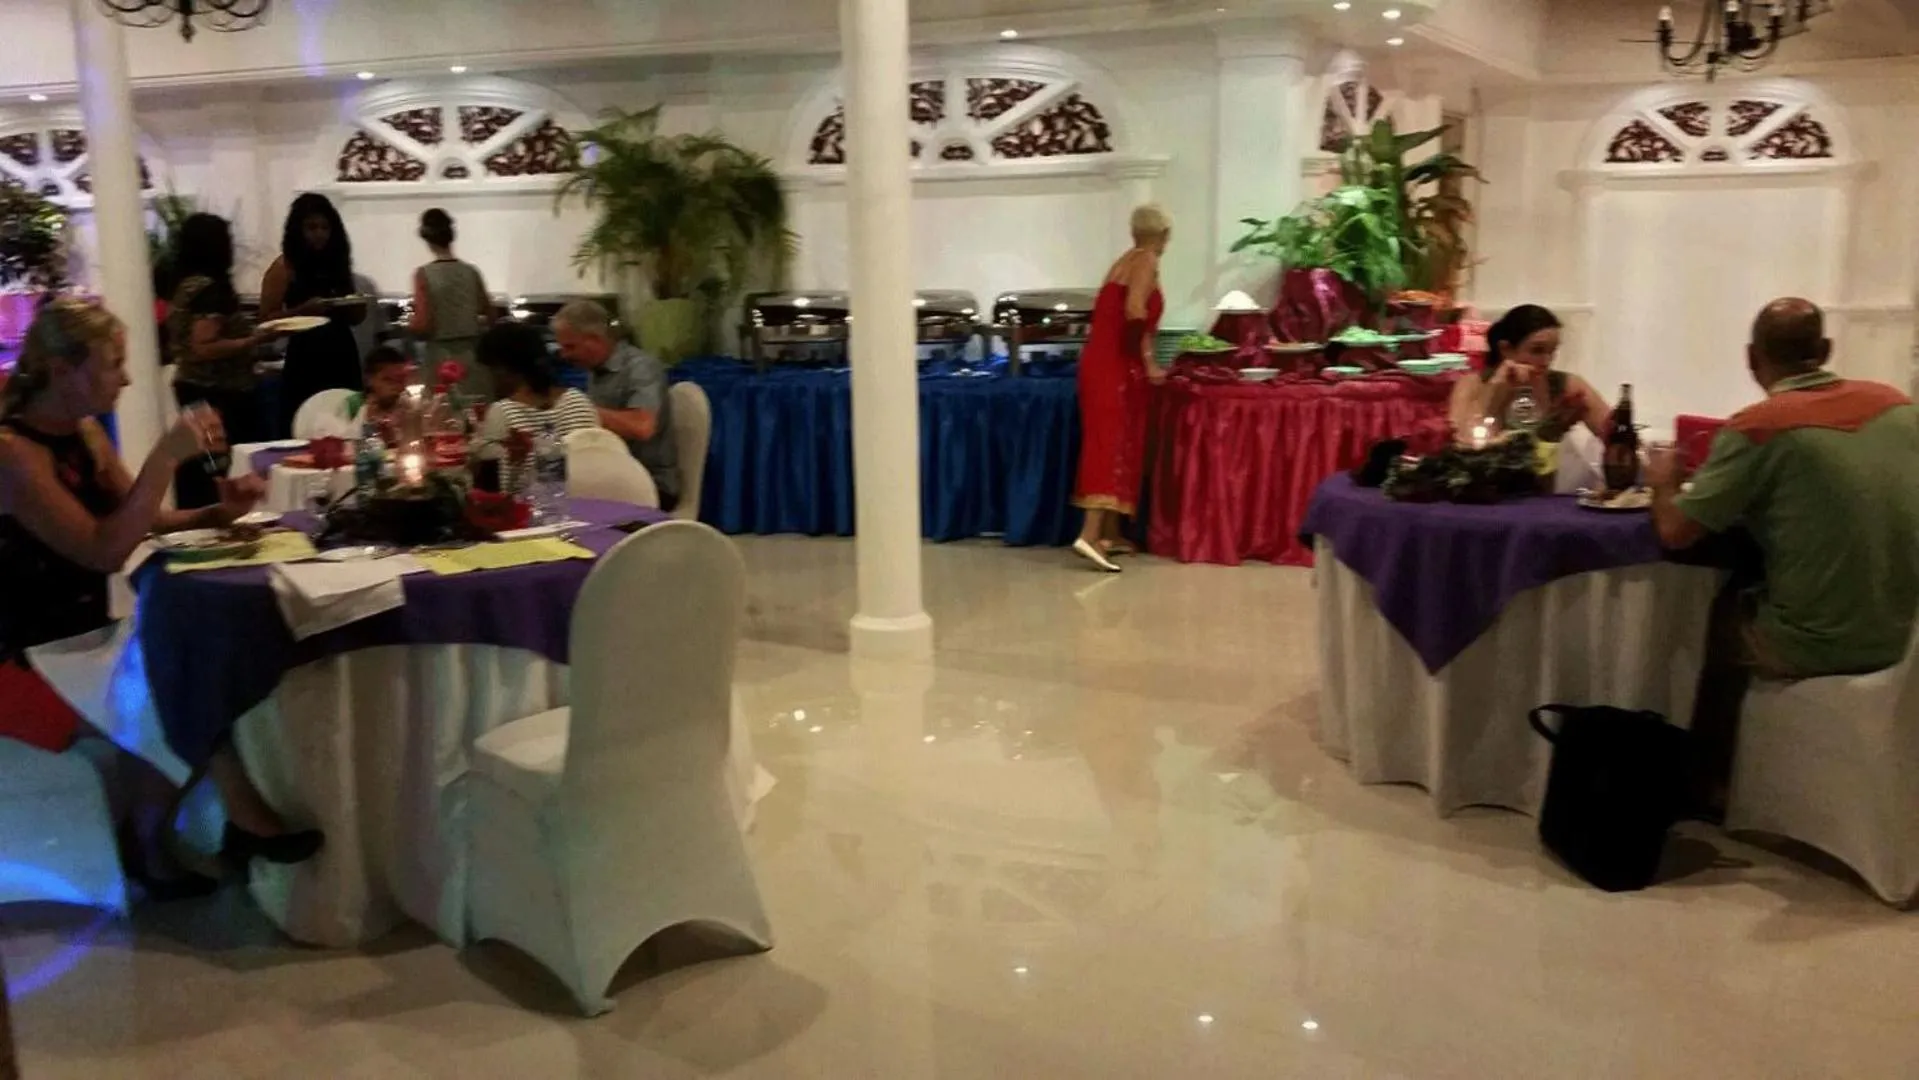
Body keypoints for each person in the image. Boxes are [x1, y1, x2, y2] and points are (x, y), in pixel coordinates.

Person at [0, 299, 322, 897]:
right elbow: (102, 550)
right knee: (170, 673)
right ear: (64, 370)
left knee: (192, 653)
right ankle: (202, 827)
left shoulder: (84, 432)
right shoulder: (14, 452)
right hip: (28, 654)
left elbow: (142, 520)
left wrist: (216, 512)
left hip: (85, 636)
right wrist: (164, 458)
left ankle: (166, 835)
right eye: (113, 364)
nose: (126, 379)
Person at [1648, 297, 1919, 808]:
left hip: (1823, 642)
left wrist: (1662, 481)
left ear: (1752, 358)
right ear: (1827, 350)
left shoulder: (1760, 426)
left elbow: (1675, 531)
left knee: (1724, 613)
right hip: (1906, 632)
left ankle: (1709, 784)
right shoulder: (1897, 405)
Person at [1070, 204, 1171, 573]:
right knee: (1109, 444)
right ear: (1164, 235)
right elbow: (1135, 312)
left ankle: (1109, 534)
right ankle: (1088, 535)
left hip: (1099, 362)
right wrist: (1149, 361)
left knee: (1111, 440)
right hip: (1115, 365)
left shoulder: (1123, 261)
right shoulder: (1146, 261)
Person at [167, 213, 280, 509]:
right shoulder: (210, 290)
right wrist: (253, 340)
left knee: (198, 460)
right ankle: (218, 516)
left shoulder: (185, 286)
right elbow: (204, 345)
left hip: (192, 384)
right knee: (217, 468)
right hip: (218, 392)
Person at [552, 300, 680, 510]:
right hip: (614, 474)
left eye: (570, 347)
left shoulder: (642, 367)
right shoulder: (596, 370)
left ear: (594, 340)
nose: (565, 355)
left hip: (650, 483)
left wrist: (579, 408)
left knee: (557, 504)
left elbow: (642, 427)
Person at [261, 193, 366, 435]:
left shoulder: (337, 264)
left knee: (347, 425)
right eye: (311, 227)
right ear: (298, 230)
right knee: (304, 426)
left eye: (325, 227)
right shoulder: (284, 267)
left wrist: (355, 306)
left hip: (342, 354)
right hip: (305, 357)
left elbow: (355, 319)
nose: (319, 234)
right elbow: (265, 320)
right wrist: (302, 311)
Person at [1448, 304, 1613, 443]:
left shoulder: (1567, 385)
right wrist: (1495, 392)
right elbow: (1462, 445)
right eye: (1537, 350)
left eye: (1552, 351)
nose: (1547, 360)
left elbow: (1615, 433)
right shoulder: (1471, 384)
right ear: (1505, 349)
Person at [476, 321, 601, 492]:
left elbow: (500, 489)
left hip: (533, 506)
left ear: (501, 369)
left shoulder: (502, 413)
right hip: (590, 501)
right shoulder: (579, 401)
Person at [408, 208, 493, 400]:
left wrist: (410, 323)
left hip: (441, 358)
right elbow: (489, 314)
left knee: (443, 411)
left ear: (425, 238)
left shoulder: (424, 274)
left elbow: (423, 324)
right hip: (474, 355)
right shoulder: (471, 272)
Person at [342, 345, 412, 437]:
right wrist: (368, 419)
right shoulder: (354, 406)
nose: (396, 386)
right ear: (369, 379)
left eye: (400, 380)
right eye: (388, 380)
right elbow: (345, 439)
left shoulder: (409, 403)